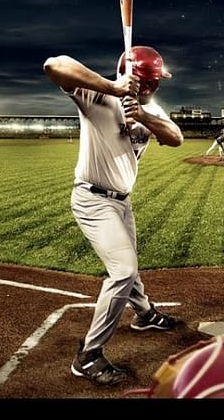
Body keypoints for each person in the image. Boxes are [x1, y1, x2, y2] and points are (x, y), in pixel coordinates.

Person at [43, 45, 184, 387]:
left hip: (122, 202)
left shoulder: (150, 108)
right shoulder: (98, 97)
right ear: (147, 81)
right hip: (93, 200)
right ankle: (88, 355)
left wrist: (143, 116)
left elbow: (176, 138)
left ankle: (145, 314)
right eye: (156, 80)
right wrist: (115, 89)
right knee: (123, 270)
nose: (159, 86)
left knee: (129, 263)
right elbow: (54, 64)